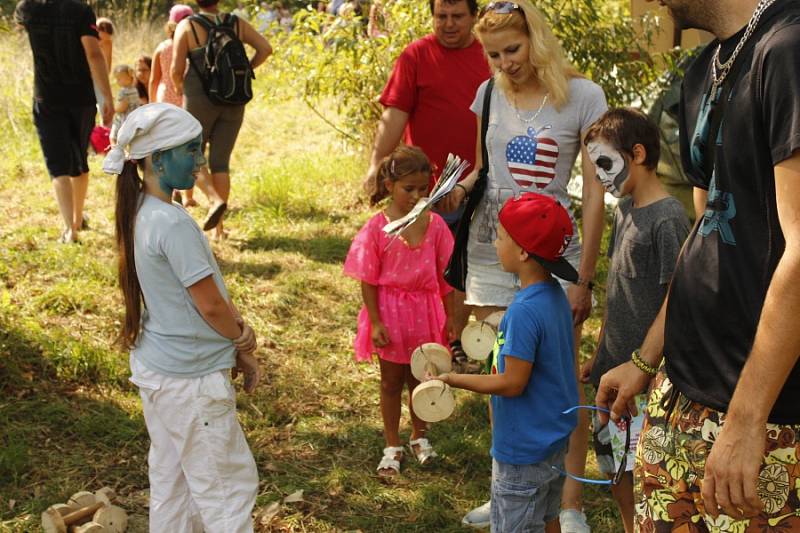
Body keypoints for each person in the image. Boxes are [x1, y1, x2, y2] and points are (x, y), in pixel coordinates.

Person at [596, 0, 800, 530]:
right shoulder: (700, 72)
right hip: (683, 394)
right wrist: (645, 361)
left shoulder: (789, 50)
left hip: (770, 418)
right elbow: (709, 233)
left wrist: (746, 420)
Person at [437, 1, 607, 529]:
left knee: (559, 377)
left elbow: (597, 196)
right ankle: (506, 485)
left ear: (537, 38)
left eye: (512, 49)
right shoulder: (488, 93)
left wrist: (583, 277)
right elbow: (484, 168)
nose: (504, 63)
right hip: (495, 246)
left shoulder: (584, 96)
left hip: (553, 252)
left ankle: (569, 500)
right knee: (498, 363)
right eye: (493, 54)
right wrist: (458, 191)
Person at [104, 103, 261, 532]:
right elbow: (210, 305)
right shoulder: (172, 224)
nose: (200, 161)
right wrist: (243, 342)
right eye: (190, 151)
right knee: (226, 492)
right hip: (191, 382)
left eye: (200, 149)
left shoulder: (139, 209)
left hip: (161, 372)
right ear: (156, 160)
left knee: (174, 484)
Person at [430, 192, 579, 533]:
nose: (496, 243)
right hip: (554, 440)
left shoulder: (526, 311)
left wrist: (454, 379)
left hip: (523, 449)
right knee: (547, 516)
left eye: (500, 236)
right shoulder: (553, 294)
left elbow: (512, 382)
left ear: (524, 251)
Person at [577, 108, 689, 533]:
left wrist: (652, 369)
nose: (602, 178)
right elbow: (616, 288)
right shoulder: (624, 210)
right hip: (610, 370)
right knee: (613, 464)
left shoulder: (669, 219)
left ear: (637, 153)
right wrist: (601, 348)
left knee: (644, 470)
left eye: (605, 164)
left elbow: (676, 301)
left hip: (645, 380)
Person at [364, 0, 491, 361]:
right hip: (423, 188)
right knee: (427, 265)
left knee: (467, 265)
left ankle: (459, 340)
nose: (448, 24)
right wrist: (376, 165)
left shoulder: (490, 56)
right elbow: (395, 114)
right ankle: (427, 338)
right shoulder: (416, 56)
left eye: (457, 16)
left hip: (479, 182)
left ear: (474, 17)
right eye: (441, 17)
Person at [344, 146, 456, 477]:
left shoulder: (435, 226)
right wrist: (375, 321)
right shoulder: (377, 228)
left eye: (424, 190)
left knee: (422, 379)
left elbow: (446, 277)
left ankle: (420, 437)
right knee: (391, 381)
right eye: (409, 189)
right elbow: (368, 278)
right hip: (391, 315)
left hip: (425, 313)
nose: (417, 196)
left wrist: (451, 317)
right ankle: (392, 444)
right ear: (390, 184)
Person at [14, 0, 114, 244]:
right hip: (81, 98)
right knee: (79, 161)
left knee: (58, 167)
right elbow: (93, 53)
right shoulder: (80, 10)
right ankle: (78, 217)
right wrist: (107, 97)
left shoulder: (29, 9)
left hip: (46, 96)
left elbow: (18, 21)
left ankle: (70, 229)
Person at [172, 0, 273, 237]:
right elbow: (266, 48)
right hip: (233, 98)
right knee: (221, 162)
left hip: (198, 98)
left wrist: (180, 91)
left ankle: (213, 199)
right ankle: (219, 229)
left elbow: (176, 70)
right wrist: (244, 70)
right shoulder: (236, 23)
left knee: (190, 151)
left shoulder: (187, 26)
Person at [150, 4, 196, 206]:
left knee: (167, 146)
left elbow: (154, 79)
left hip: (165, 99)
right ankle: (188, 195)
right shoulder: (194, 47)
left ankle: (169, 186)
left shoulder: (162, 47)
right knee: (189, 146)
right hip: (186, 99)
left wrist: (151, 106)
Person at [109, 65, 141, 144]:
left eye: (119, 79)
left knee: (113, 136)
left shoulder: (124, 91)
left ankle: (115, 150)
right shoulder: (134, 89)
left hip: (125, 118)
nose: (117, 81)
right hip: (134, 117)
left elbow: (122, 107)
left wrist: (113, 107)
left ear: (128, 77)